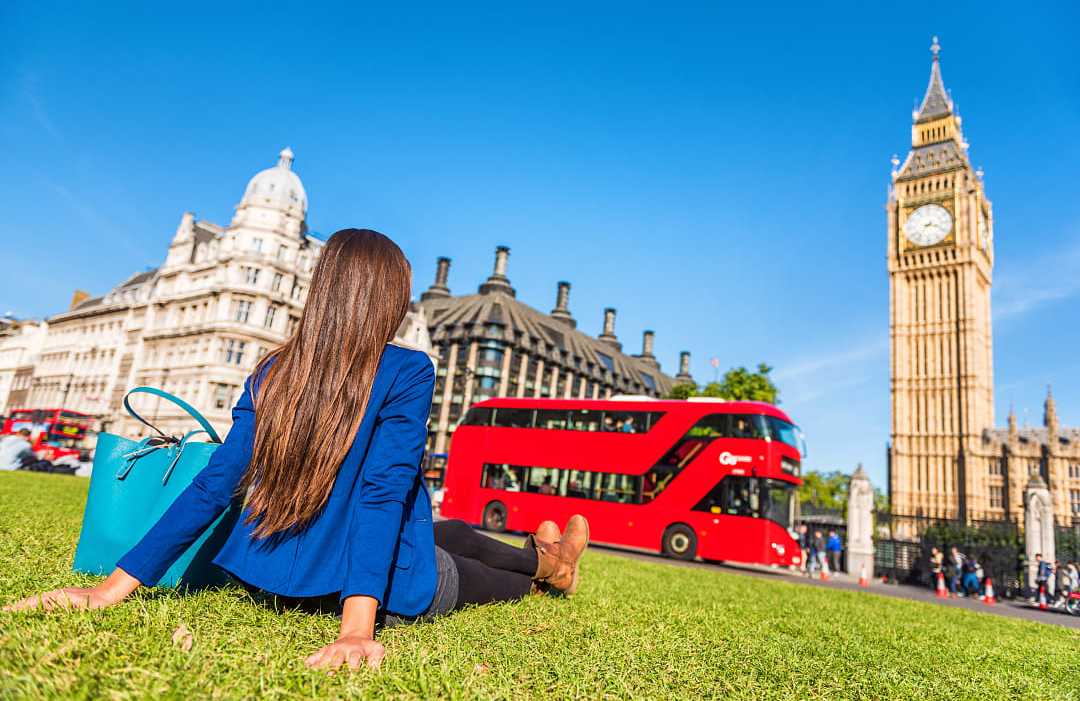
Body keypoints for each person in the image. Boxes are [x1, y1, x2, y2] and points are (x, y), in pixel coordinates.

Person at [2, 229, 591, 673]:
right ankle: (552, 569)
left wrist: (110, 589)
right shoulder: (407, 369)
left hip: (270, 576)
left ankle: (552, 554)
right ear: (385, 299)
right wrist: (358, 628)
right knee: (472, 572)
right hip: (370, 582)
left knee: (452, 530)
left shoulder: (273, 368)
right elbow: (382, 494)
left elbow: (214, 484)